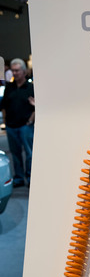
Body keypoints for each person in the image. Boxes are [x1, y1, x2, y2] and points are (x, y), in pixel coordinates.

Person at [0, 58, 35, 187]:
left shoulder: (31, 88)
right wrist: (5, 121)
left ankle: (30, 177)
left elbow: (36, 107)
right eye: (13, 70)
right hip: (11, 126)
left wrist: (30, 120)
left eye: (17, 70)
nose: (14, 73)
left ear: (24, 71)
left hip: (25, 126)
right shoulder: (9, 87)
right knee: (15, 154)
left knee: (29, 153)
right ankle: (19, 177)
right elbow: (3, 106)